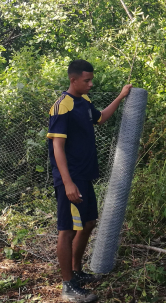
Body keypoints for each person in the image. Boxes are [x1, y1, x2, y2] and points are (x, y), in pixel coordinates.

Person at [47, 60, 132, 302]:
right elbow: (57, 147)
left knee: (88, 224)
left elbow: (101, 118)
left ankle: (76, 272)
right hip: (70, 179)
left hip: (84, 177)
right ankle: (67, 286)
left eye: (91, 79)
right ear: (73, 80)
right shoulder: (61, 107)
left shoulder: (84, 103)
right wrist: (68, 182)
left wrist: (121, 96)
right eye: (87, 80)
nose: (91, 84)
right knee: (67, 230)